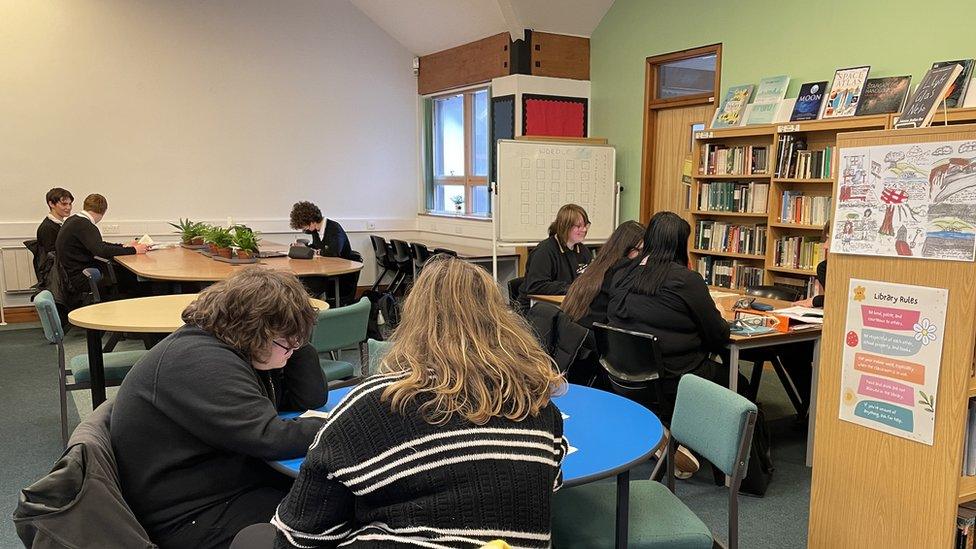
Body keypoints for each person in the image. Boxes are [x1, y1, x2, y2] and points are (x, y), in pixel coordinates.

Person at [269, 255, 567, 549]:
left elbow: (300, 536)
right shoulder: (538, 403)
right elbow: (548, 484)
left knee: (254, 537)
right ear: (501, 318)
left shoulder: (374, 404)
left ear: (413, 318)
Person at [111, 268, 328, 549]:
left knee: (337, 497)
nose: (294, 346)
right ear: (253, 330)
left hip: (225, 483)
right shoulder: (199, 360)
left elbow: (308, 399)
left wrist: (294, 342)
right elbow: (270, 438)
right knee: (335, 516)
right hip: (193, 514)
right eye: (286, 339)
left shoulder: (232, 346)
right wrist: (347, 423)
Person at [54, 193, 148, 296]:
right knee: (129, 276)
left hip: (69, 275)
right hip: (80, 277)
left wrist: (123, 246)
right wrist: (134, 250)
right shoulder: (85, 225)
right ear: (103, 211)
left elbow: (98, 244)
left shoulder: (73, 220)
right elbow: (101, 250)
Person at [562, 220, 645, 329]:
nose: (643, 256)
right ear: (626, 249)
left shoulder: (597, 267)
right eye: (639, 250)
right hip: (593, 338)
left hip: (575, 335)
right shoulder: (620, 272)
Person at [520, 204, 594, 306]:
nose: (584, 230)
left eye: (585, 225)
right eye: (578, 226)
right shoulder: (544, 251)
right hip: (536, 308)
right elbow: (536, 286)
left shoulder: (583, 251)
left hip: (567, 304)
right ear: (565, 226)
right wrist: (573, 288)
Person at [289, 201, 358, 304]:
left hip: (340, 274)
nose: (304, 229)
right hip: (325, 270)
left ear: (312, 222)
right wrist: (305, 247)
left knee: (307, 282)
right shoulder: (316, 231)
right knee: (301, 279)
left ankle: (309, 309)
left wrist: (315, 251)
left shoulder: (334, 228)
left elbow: (333, 252)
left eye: (304, 226)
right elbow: (318, 247)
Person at [35, 188, 73, 262]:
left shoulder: (63, 224)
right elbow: (54, 256)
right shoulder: (47, 228)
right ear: (51, 204)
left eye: (70, 204)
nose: (68, 207)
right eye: (64, 204)